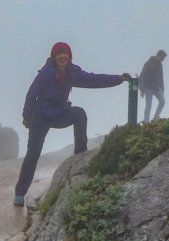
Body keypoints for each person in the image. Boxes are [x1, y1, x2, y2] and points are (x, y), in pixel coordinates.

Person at [13, 41, 129, 207]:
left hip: (60, 113)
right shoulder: (46, 73)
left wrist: (118, 79)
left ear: (69, 56)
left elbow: (94, 80)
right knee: (33, 154)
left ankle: (80, 156)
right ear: (54, 57)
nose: (62, 56)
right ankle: (19, 193)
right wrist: (26, 117)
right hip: (41, 116)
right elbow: (31, 95)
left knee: (79, 114)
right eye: (58, 53)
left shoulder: (72, 72)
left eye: (65, 53)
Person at [139, 49, 167, 122]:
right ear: (159, 56)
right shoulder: (148, 63)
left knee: (162, 101)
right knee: (148, 105)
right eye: (163, 58)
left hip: (156, 87)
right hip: (148, 88)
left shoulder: (160, 64)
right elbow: (143, 75)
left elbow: (161, 76)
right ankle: (146, 121)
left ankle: (156, 116)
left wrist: (162, 88)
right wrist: (142, 89)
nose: (163, 60)